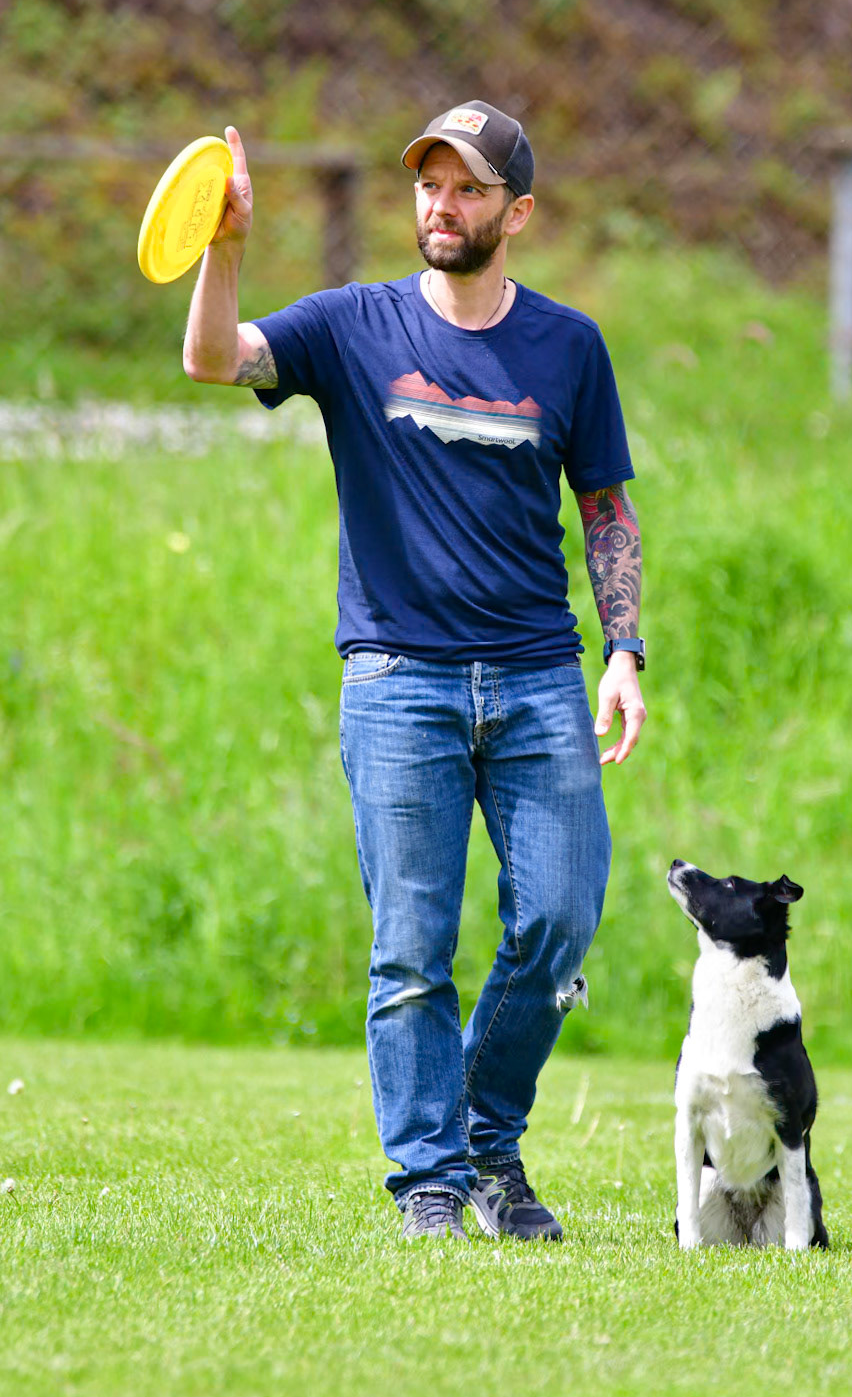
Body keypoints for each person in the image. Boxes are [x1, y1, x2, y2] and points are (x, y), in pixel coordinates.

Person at [183, 100, 647, 1241]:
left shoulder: (569, 346)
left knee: (558, 921)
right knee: (410, 952)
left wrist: (625, 650)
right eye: (428, 184)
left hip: (538, 677)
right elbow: (211, 359)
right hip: (398, 681)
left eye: (467, 188)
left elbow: (605, 509)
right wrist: (226, 249)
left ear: (516, 213)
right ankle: (432, 1179)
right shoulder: (351, 325)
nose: (441, 206)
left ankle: (486, 1136)